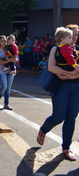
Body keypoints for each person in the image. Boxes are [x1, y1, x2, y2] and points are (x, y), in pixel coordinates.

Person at [37, 24, 79, 161]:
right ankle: (43, 130)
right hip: (61, 87)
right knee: (58, 116)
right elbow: (51, 68)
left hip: (76, 87)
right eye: (71, 35)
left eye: (76, 35)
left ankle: (66, 148)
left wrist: (71, 76)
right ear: (63, 37)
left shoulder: (76, 51)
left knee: (71, 118)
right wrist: (73, 73)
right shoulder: (56, 49)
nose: (73, 38)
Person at [0, 35, 18, 110]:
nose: (4, 42)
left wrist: (14, 60)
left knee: (8, 88)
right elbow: (0, 62)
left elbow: (16, 58)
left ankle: (6, 104)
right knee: (4, 86)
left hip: (10, 70)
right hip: (2, 71)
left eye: (5, 41)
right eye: (2, 41)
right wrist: (10, 60)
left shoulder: (10, 47)